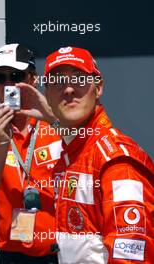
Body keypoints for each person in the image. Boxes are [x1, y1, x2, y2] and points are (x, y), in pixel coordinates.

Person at [42, 46, 154, 263]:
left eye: (79, 78)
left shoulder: (116, 161)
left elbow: (131, 255)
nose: (68, 89)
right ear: (47, 94)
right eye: (57, 82)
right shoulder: (70, 153)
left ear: (98, 87)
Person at [0, 43, 62, 264]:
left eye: (16, 75)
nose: (8, 84)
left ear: (32, 79)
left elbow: (91, 154)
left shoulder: (56, 127)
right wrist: (2, 144)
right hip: (11, 255)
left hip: (58, 253)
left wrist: (54, 120)